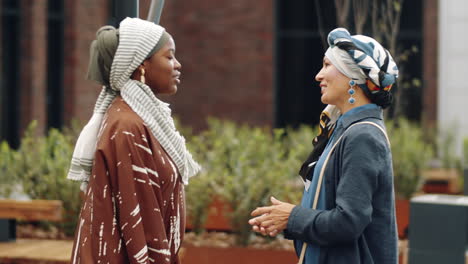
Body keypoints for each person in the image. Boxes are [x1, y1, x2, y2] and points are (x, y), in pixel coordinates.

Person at [249, 27, 399, 264]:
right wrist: (284, 221)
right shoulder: (344, 129)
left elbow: (347, 223)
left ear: (353, 77)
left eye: (327, 65)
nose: (318, 75)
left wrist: (292, 217)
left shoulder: (363, 135)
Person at [67, 17, 201, 264]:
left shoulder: (143, 120)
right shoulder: (128, 126)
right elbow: (139, 220)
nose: (178, 65)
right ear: (142, 65)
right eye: (169, 57)